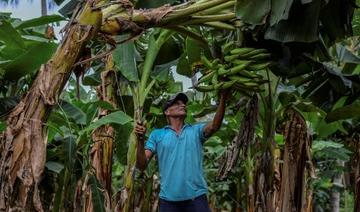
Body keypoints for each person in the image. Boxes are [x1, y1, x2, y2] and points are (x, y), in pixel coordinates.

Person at [135, 92, 228, 212]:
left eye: (183, 103)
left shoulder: (196, 131)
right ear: (167, 112)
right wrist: (140, 140)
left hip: (197, 198)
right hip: (168, 201)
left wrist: (223, 98)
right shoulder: (157, 135)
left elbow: (215, 126)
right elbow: (142, 165)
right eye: (177, 103)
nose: (183, 105)